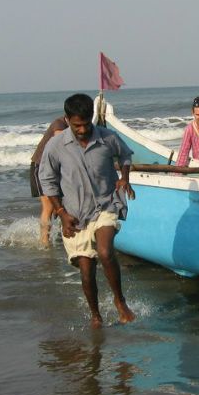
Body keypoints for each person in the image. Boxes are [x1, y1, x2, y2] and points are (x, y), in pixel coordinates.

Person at [38, 93, 136, 328]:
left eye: (86, 124)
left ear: (92, 118)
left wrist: (124, 178)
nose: (82, 130)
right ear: (67, 119)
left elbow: (125, 155)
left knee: (104, 251)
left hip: (106, 204)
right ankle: (95, 315)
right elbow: (47, 180)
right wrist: (61, 213)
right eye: (76, 125)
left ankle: (120, 302)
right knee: (86, 269)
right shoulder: (56, 146)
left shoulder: (107, 138)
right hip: (74, 214)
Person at [30, 115, 69, 247]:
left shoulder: (66, 124)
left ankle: (51, 236)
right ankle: (45, 242)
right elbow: (62, 144)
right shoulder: (59, 125)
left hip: (55, 167)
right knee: (49, 206)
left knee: (54, 206)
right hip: (41, 166)